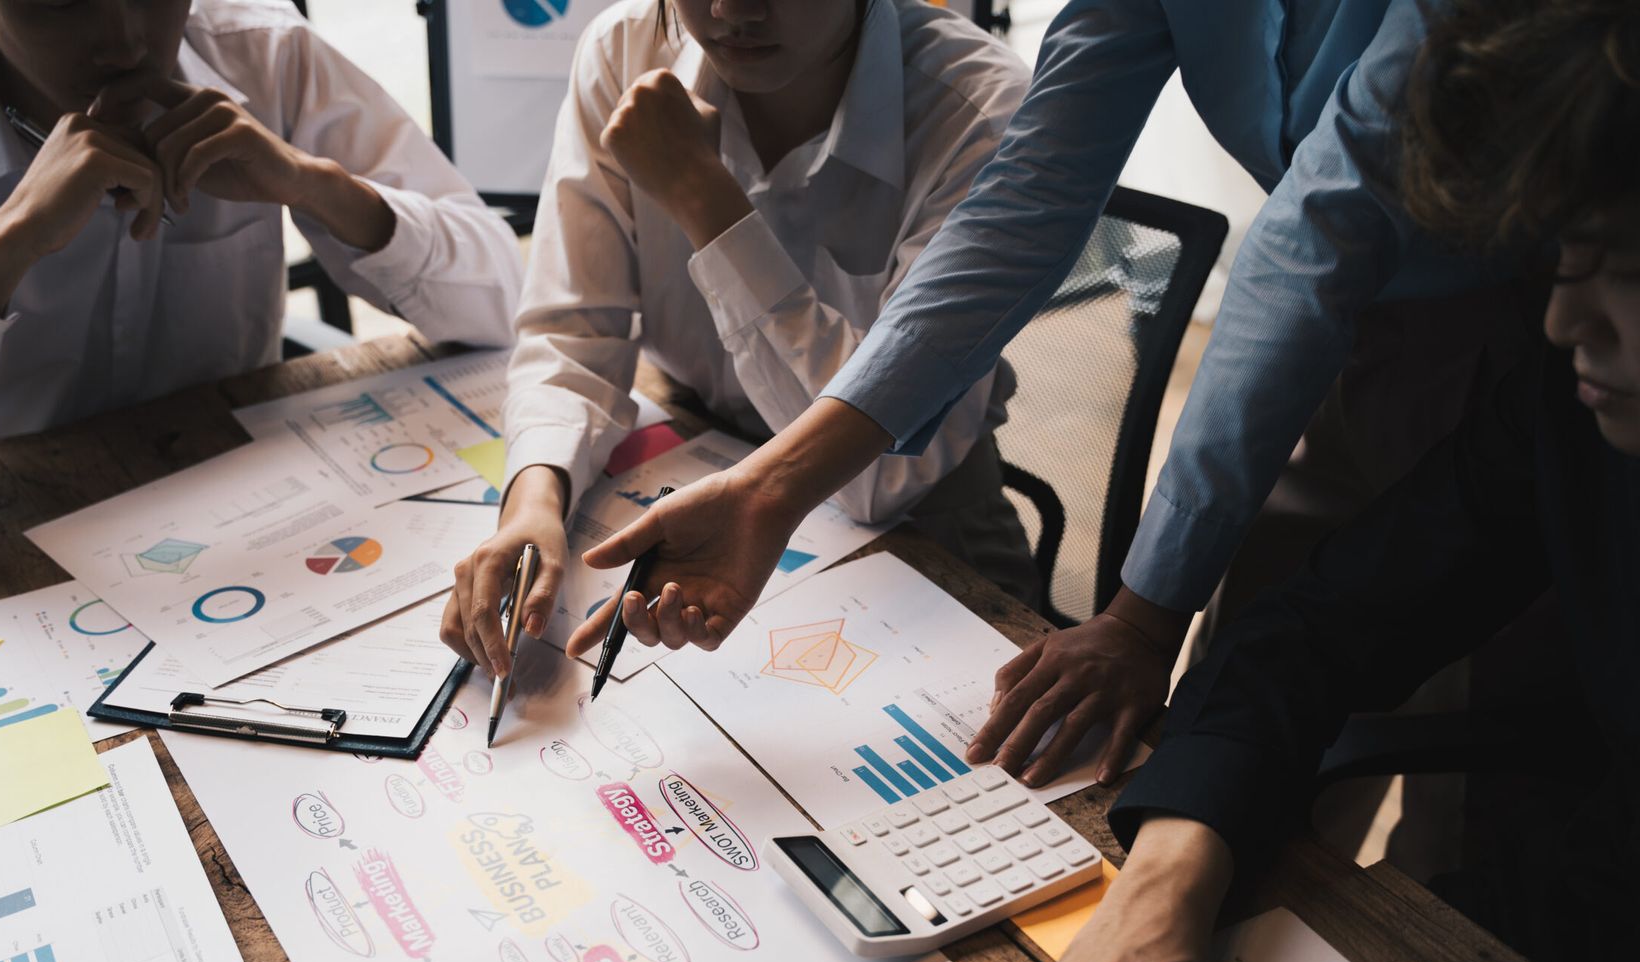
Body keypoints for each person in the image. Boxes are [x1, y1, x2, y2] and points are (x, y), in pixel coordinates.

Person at [1004, 0, 1640, 962]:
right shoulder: (1564, 412)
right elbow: (1318, 625)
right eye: (1562, 263)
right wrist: (1169, 866)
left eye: (1614, 268)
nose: (1559, 321)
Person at [561, 0, 1525, 789]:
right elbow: (1029, 198)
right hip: (1340, 344)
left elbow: (1318, 230)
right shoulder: (627, 49)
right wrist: (772, 488)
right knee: (1249, 714)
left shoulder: (959, 89)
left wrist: (1146, 619)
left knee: (1482, 748)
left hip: (1549, 337)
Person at [0, 0, 523, 549]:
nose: (124, 37)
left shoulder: (263, 53)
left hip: (256, 519)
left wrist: (313, 185)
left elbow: (512, 301)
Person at [440, 0, 1037, 674]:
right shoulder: (625, 49)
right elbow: (573, 329)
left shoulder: (979, 109)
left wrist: (704, 197)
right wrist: (534, 502)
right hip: (695, 451)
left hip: (922, 526)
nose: (731, 10)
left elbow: (879, 479)